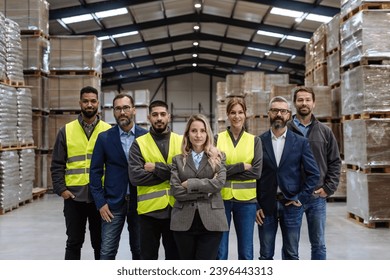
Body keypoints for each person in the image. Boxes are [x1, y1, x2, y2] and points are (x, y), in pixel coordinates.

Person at [50, 86, 112, 260]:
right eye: (85, 101)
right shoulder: (66, 131)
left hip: (99, 198)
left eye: (93, 101)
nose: (89, 104)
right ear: (80, 103)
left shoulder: (108, 131)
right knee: (74, 242)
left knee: (100, 243)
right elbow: (57, 164)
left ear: (98, 103)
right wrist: (61, 189)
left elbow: (115, 165)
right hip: (74, 197)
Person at [256, 96, 320, 260]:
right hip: (266, 207)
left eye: (283, 111)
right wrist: (256, 205)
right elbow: (253, 176)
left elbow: (314, 174)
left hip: (291, 205)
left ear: (289, 115)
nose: (279, 114)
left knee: (292, 254)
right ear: (268, 113)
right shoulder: (258, 142)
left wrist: (301, 198)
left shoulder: (300, 142)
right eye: (275, 110)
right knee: (265, 255)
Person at [89, 93, 148, 260]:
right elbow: (94, 172)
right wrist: (101, 203)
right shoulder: (105, 138)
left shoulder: (146, 137)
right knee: (106, 253)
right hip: (112, 204)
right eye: (118, 109)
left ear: (134, 110)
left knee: (140, 251)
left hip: (140, 204)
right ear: (113, 112)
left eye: (126, 108)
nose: (122, 112)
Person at [287, 86, 341, 260]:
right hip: (292, 196)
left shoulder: (325, 132)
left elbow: (334, 161)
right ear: (295, 103)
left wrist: (328, 188)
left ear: (314, 103)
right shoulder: (284, 130)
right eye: (300, 100)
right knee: (290, 246)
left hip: (316, 197)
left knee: (318, 244)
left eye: (307, 100)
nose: (304, 103)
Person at [128, 100, 182, 260]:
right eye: (155, 114)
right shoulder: (139, 143)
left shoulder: (181, 141)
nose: (159, 118)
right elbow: (136, 177)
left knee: (175, 259)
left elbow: (186, 174)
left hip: (176, 210)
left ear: (169, 117)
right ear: (149, 117)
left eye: (163, 114)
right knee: (148, 259)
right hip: (148, 214)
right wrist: (172, 173)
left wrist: (156, 168)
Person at [170, 114, 228, 260]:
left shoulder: (218, 157)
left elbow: (219, 183)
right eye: (194, 131)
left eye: (202, 131)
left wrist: (190, 184)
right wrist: (207, 192)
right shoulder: (177, 160)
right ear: (187, 134)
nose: (198, 135)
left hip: (212, 221)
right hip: (183, 222)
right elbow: (176, 191)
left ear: (207, 133)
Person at [215, 97, 262, 260]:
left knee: (246, 251)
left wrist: (225, 170)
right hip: (221, 199)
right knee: (220, 251)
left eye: (240, 112)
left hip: (247, 202)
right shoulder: (217, 139)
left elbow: (256, 172)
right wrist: (242, 166)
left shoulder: (254, 140)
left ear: (246, 114)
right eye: (233, 112)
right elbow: (214, 170)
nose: (237, 116)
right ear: (228, 115)